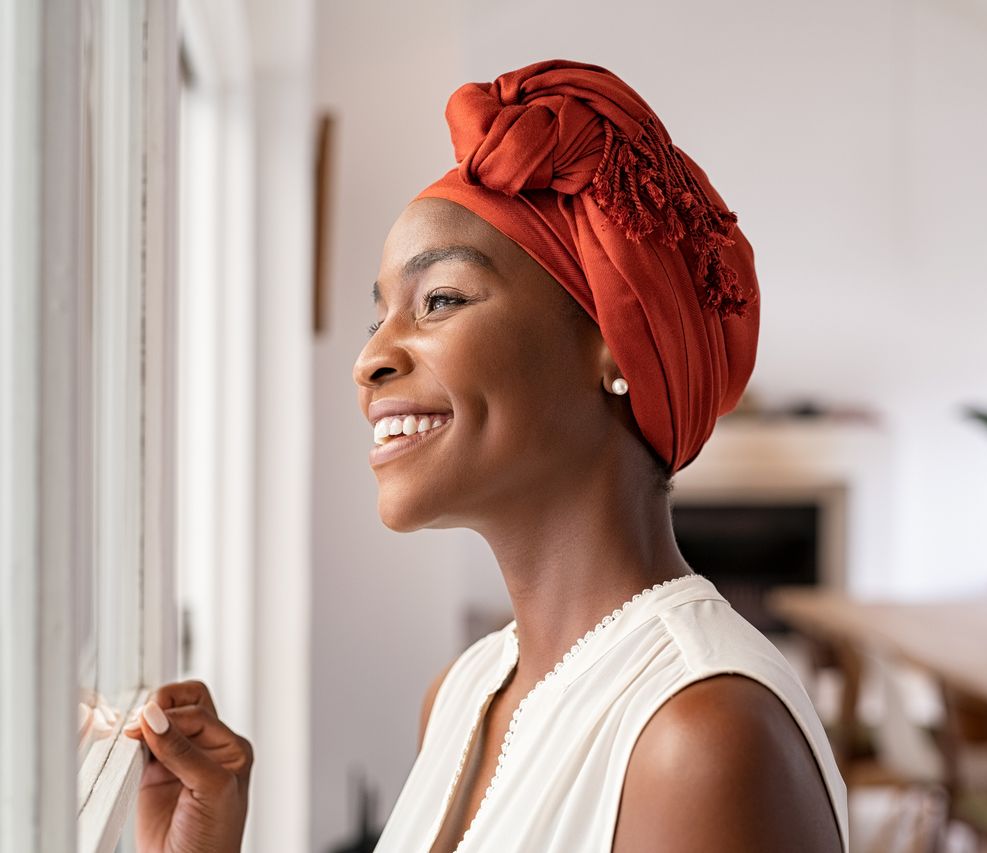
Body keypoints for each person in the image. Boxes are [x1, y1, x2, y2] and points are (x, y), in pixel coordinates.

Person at [125, 59, 849, 852]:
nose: (370, 359)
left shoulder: (699, 739)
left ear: (617, 345)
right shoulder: (464, 693)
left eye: (439, 300)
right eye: (379, 318)